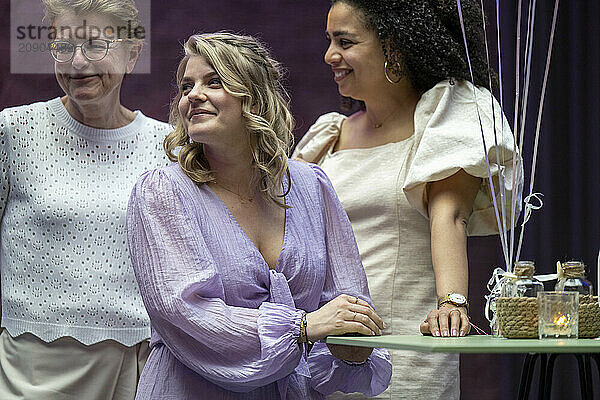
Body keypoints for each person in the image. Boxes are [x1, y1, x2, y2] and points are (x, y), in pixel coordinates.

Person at [126, 32, 392, 400]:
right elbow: (184, 314)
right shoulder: (162, 191)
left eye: (214, 81)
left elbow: (348, 305)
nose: (193, 95)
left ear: (255, 98)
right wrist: (303, 326)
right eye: (186, 86)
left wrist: (352, 346)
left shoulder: (312, 186)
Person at [293, 0, 521, 399]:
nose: (330, 55)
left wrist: (452, 303)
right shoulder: (329, 136)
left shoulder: (447, 115)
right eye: (329, 40)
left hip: (408, 349)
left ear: (395, 46)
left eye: (345, 42)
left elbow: (450, 217)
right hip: (327, 353)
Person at [0, 0, 169, 398]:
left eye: (95, 46)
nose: (77, 62)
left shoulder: (167, 147)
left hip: (141, 365)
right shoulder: (15, 131)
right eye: (63, 47)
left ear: (133, 53)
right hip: (32, 367)